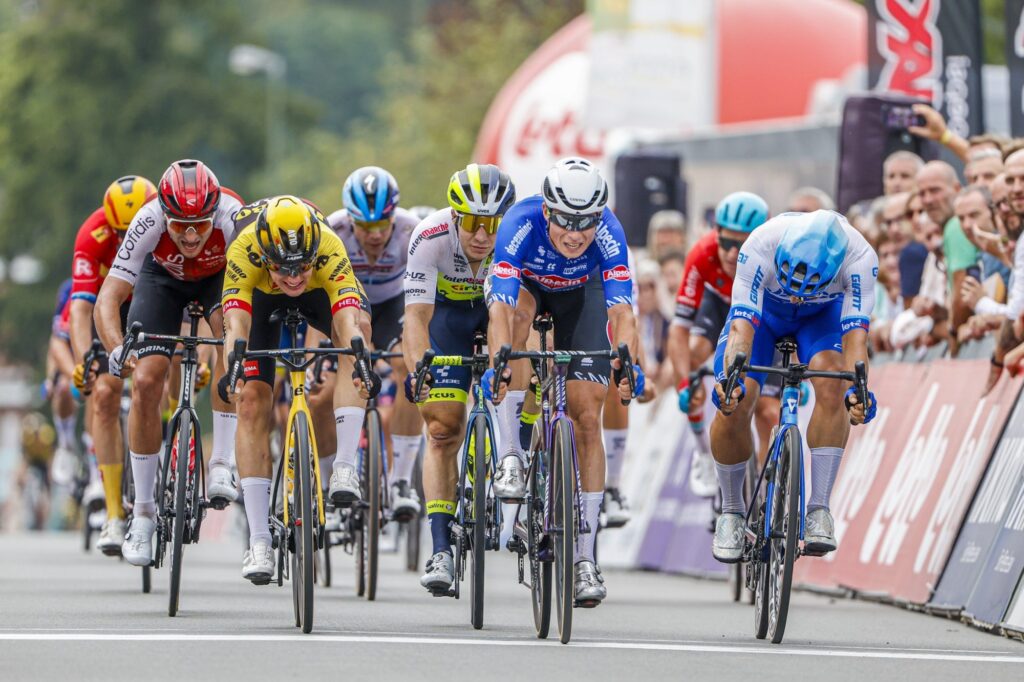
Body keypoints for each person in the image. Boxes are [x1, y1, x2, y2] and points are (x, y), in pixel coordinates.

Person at [488, 156, 641, 607]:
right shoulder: (519, 223)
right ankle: (512, 454)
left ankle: (585, 558)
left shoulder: (610, 232)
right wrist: (500, 360)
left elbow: (622, 312)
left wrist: (627, 362)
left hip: (582, 294)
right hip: (529, 290)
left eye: (586, 222)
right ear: (547, 211)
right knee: (516, 325)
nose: (576, 234)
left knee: (587, 417)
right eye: (566, 222)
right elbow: (500, 307)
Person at [95, 160, 243, 566]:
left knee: (231, 340)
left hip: (217, 279)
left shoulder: (233, 214)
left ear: (215, 214)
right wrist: (116, 348)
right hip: (161, 281)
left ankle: (221, 463)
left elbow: (251, 285)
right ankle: (143, 514)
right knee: (146, 382)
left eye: (200, 225)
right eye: (179, 226)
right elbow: (108, 298)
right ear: (164, 215)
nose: (191, 236)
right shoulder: (148, 219)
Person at [220, 195, 374, 583]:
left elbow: (348, 321)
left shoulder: (327, 244)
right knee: (250, 401)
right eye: (282, 268)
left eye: (301, 266)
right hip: (258, 297)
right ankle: (259, 540)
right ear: (264, 254)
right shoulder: (243, 249)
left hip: (319, 292)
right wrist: (234, 366)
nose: (292, 277)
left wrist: (359, 356)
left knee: (358, 342)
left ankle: (344, 467)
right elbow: (235, 326)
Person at [710, 210, 877, 561]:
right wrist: (730, 380)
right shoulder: (761, 243)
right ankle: (732, 510)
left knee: (834, 385)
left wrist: (857, 391)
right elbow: (741, 328)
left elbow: (856, 342)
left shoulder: (860, 257)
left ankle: (818, 509)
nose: (797, 297)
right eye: (791, 287)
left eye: (806, 290)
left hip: (821, 319)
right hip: (765, 316)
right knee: (736, 399)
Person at [401, 163, 516, 595]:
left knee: (524, 381)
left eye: (492, 224)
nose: (482, 235)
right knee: (442, 428)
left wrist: (508, 365)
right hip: (446, 319)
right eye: (471, 223)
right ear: (455, 217)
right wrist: (420, 369)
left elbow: (513, 312)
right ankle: (440, 549)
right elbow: (416, 317)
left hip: (497, 312)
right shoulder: (429, 236)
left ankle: (520, 460)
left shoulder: (513, 240)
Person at [326, 166, 423, 520]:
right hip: (348, 305)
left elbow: (425, 290)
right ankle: (330, 477)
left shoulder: (411, 230)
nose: (376, 234)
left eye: (382, 224)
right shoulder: (333, 230)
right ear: (350, 220)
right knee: (325, 388)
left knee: (411, 372)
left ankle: (401, 481)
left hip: (392, 305)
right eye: (365, 227)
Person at [67, 175, 156, 555]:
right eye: (120, 233)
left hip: (152, 299)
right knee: (104, 394)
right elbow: (81, 308)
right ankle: (115, 512)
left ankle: (169, 437)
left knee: (156, 376)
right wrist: (84, 360)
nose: (126, 241)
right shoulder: (92, 235)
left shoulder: (163, 225)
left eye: (132, 231)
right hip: (111, 304)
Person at [667, 191, 774, 497]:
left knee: (768, 411)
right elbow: (679, 329)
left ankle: (765, 491)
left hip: (760, 314)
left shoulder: (774, 257)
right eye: (725, 242)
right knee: (694, 353)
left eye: (741, 245)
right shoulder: (702, 254)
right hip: (719, 306)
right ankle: (703, 451)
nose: (731, 253)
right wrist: (684, 383)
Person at [916, 160, 976, 351]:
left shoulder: (955, 226)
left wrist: (952, 335)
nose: (928, 200)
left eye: (935, 190)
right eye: (922, 193)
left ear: (957, 189)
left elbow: (961, 294)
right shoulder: (949, 230)